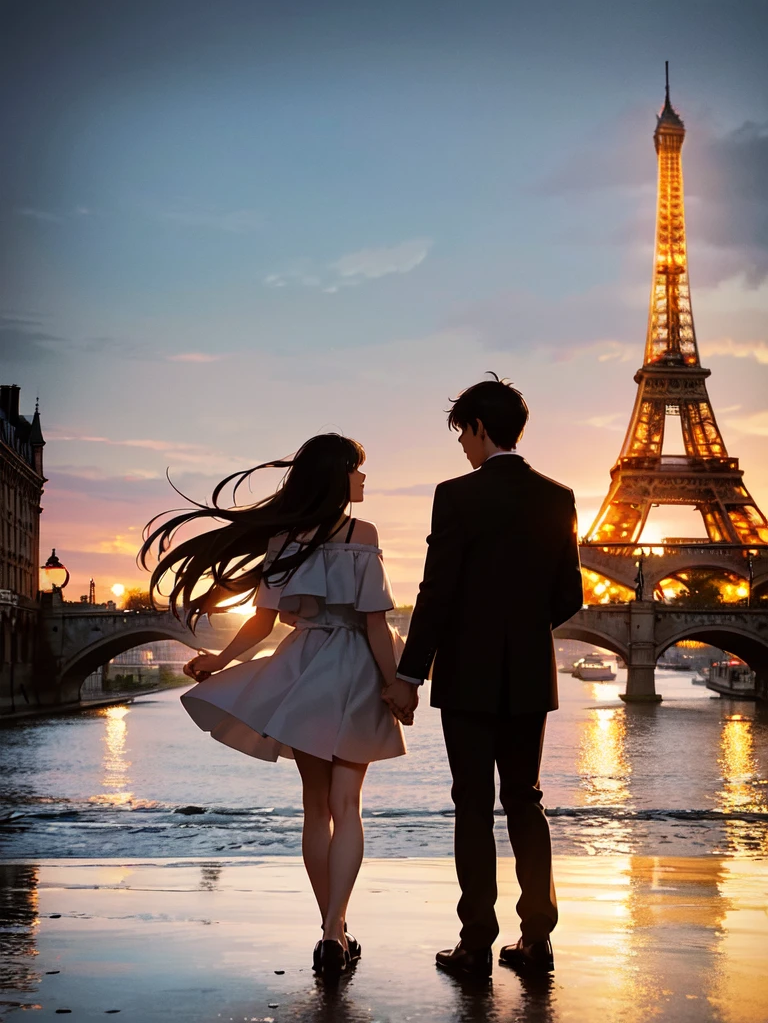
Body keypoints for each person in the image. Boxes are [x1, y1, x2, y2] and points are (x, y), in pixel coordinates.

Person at [140, 434, 409, 978]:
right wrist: (395, 684)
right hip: (356, 668)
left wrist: (218, 661)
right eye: (358, 471)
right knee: (347, 806)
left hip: (304, 668)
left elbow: (262, 625)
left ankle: (330, 933)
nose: (363, 481)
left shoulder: (286, 539)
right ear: (338, 478)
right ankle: (338, 926)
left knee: (315, 808)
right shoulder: (364, 535)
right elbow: (376, 623)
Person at [387, 375, 583, 979]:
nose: (464, 450)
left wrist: (411, 673)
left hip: (466, 675)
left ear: (477, 428)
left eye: (464, 437)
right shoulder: (559, 496)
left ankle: (475, 942)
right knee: (526, 799)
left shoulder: (456, 496)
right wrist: (521, 630)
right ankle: (537, 938)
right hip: (528, 674)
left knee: (472, 804)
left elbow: (436, 592)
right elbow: (569, 595)